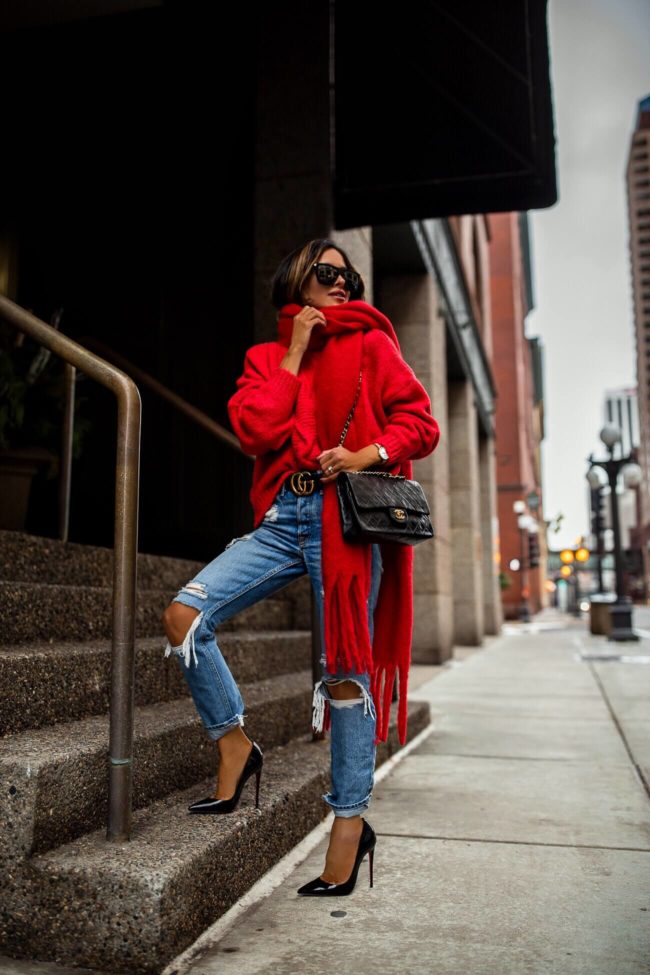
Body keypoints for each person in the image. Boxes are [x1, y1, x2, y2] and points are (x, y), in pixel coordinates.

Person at [162, 239, 440, 897]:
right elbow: (256, 430)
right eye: (327, 273)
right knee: (184, 614)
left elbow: (421, 422)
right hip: (284, 518)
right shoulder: (265, 358)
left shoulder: (372, 343)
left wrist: (365, 452)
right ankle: (233, 743)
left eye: (351, 275)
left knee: (345, 674)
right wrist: (293, 353)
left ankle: (349, 820)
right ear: (296, 280)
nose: (342, 283)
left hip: (344, 521)